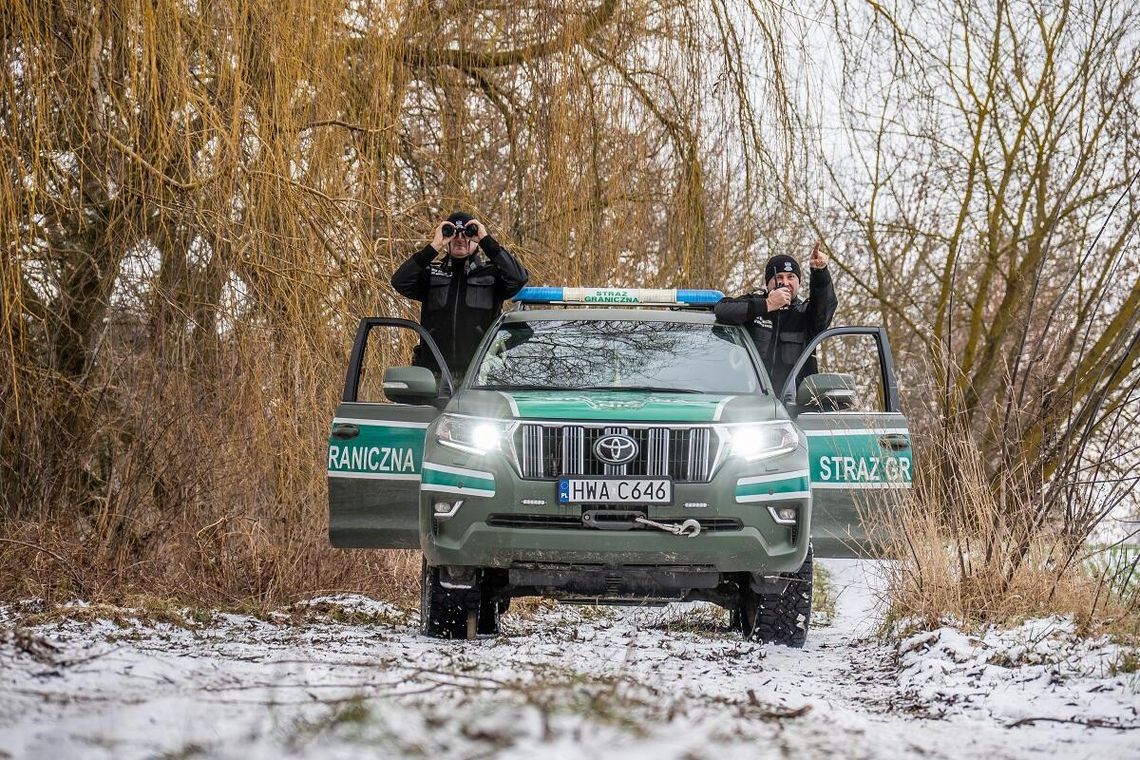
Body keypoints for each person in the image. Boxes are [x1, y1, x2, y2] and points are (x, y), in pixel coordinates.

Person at [391, 211, 528, 381]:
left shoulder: (491, 274)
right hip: (433, 377)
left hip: (479, 375)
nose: (460, 238)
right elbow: (399, 281)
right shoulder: (432, 274)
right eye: (453, 233)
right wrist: (434, 246)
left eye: (467, 233)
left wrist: (486, 241)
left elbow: (519, 277)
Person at [714, 242, 837, 396]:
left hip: (794, 406)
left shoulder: (806, 314)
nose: (785, 282)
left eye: (791, 277)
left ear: (798, 282)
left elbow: (825, 308)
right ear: (768, 283)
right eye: (779, 277)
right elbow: (722, 310)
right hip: (750, 401)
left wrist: (820, 273)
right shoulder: (755, 304)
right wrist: (767, 304)